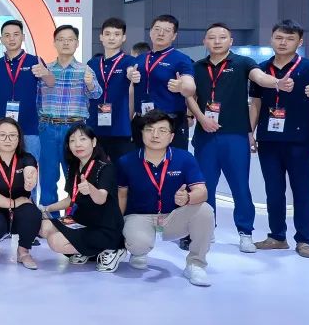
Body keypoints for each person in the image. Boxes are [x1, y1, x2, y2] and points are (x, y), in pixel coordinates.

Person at [186, 22, 280, 253]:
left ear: (231, 41)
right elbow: (190, 96)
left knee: (240, 186)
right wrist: (200, 119)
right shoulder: (196, 67)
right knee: (204, 186)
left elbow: (260, 77)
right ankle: (207, 229)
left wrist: (277, 82)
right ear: (204, 41)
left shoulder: (243, 63)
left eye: (222, 37)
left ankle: (245, 232)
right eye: (212, 37)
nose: (217, 41)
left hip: (235, 136)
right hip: (206, 135)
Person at [250, 20, 309, 258]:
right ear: (271, 39)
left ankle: (304, 240)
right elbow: (255, 103)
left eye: (289, 38)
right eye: (279, 37)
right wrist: (250, 132)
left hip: (299, 141)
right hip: (268, 140)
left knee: (301, 190)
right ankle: (277, 237)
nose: (283, 42)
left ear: (300, 41)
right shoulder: (261, 69)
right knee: (273, 191)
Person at [117, 111, 214, 286]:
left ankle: (196, 264)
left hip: (172, 217)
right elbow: (121, 195)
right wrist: (116, 225)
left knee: (205, 210)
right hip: (140, 216)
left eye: (162, 130)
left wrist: (188, 197)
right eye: (149, 129)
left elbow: (202, 192)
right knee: (138, 244)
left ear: (171, 137)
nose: (155, 135)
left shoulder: (184, 158)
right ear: (142, 133)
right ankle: (138, 252)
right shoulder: (126, 161)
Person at [39, 124, 125, 273]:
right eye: (72, 140)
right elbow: (71, 199)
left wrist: (91, 189)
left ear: (93, 142)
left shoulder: (105, 167)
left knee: (55, 241)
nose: (77, 144)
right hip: (81, 221)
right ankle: (86, 250)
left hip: (103, 227)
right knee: (44, 227)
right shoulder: (74, 167)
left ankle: (112, 249)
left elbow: (101, 198)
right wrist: (47, 208)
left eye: (82, 139)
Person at [35, 25, 102, 212]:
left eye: (70, 39)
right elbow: (36, 99)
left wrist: (90, 84)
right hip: (47, 128)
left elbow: (97, 94)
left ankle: (75, 219)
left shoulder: (85, 70)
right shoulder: (45, 70)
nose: (65, 43)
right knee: (47, 178)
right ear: (54, 43)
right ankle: (49, 219)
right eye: (61, 39)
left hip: (74, 130)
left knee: (75, 176)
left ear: (77, 43)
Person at [0, 117, 42, 269]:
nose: (8, 139)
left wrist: (30, 179)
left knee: (33, 214)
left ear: (19, 138)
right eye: (2, 135)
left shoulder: (27, 158)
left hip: (21, 206)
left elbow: (30, 170)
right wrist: (14, 203)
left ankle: (23, 251)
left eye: (12, 135)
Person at [127, 15, 196, 150]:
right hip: (142, 121)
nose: (161, 33)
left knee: (173, 161)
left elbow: (190, 87)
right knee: (140, 160)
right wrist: (130, 74)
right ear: (150, 32)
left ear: (174, 36)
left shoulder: (181, 59)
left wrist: (181, 87)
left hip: (169, 122)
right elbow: (130, 82)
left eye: (167, 30)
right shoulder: (140, 59)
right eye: (157, 29)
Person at [0, 20, 43, 167]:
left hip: (30, 129)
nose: (11, 39)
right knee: (1, 173)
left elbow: (50, 84)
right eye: (7, 35)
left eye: (16, 34)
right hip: (1, 130)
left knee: (29, 173)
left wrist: (47, 74)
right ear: (1, 39)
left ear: (23, 37)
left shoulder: (35, 62)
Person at [87, 18, 136, 162]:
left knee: (122, 170)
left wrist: (131, 74)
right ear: (101, 37)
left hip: (119, 128)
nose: (112, 38)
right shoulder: (92, 63)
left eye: (116, 34)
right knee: (95, 169)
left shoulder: (129, 61)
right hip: (94, 127)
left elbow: (131, 71)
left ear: (123, 38)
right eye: (107, 34)